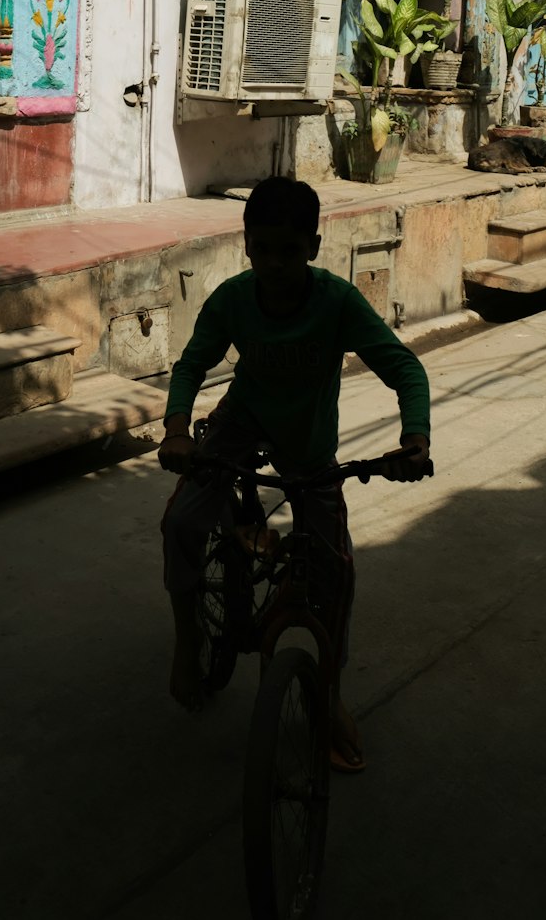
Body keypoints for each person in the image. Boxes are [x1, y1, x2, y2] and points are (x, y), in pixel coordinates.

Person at [158, 176, 430, 769]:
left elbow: (404, 369)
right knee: (180, 521)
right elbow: (191, 367)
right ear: (247, 244)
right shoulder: (231, 300)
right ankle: (186, 644)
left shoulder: (336, 302)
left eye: (290, 250)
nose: (276, 264)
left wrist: (414, 439)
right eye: (264, 249)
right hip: (241, 421)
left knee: (335, 573)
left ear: (313, 244)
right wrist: (177, 430)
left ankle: (329, 697)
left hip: (307, 442)